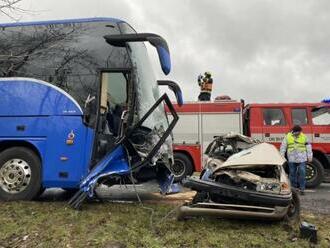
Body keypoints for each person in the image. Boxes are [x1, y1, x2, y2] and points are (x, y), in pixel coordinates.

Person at [280, 125, 313, 195]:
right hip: (292, 158)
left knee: (302, 172)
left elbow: (308, 147)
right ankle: (294, 189)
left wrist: (310, 156)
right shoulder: (287, 136)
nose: (299, 133)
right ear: (294, 131)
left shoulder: (304, 136)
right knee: (292, 173)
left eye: (299, 132)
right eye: (298, 132)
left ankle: (302, 189)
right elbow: (283, 147)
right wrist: (282, 156)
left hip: (302, 158)